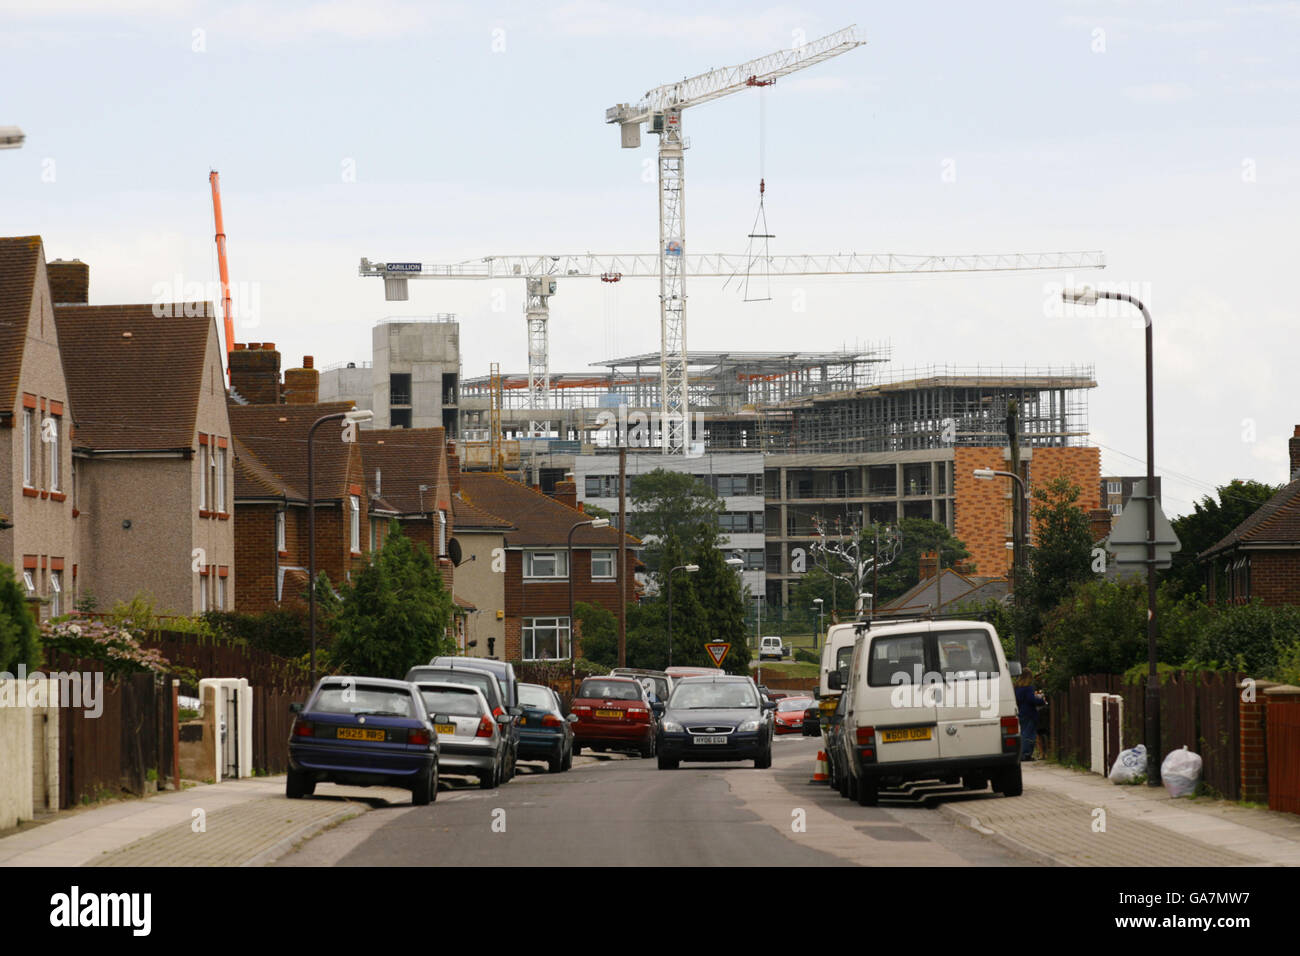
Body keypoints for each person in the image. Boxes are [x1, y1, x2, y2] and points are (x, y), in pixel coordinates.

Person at [1014, 670, 1044, 762]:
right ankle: (1026, 754)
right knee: (1029, 735)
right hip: (1030, 714)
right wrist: (1041, 700)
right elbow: (1032, 700)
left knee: (1023, 733)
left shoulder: (1016, 688)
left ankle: (1022, 754)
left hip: (1021, 713)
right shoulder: (1028, 688)